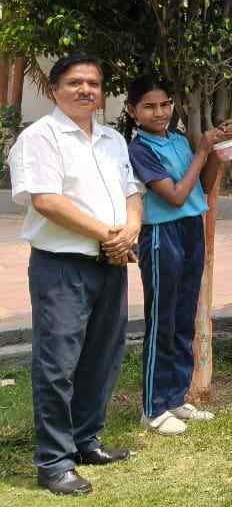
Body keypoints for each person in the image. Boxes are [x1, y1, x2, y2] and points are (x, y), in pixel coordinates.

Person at [8, 54, 141, 495]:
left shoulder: (112, 139)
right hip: (62, 266)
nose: (86, 90)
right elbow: (46, 200)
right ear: (54, 89)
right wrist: (110, 234)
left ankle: (86, 441)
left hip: (111, 263)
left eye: (93, 83)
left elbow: (132, 191)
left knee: (102, 358)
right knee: (58, 364)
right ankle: (53, 461)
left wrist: (130, 229)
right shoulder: (39, 138)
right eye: (74, 82)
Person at [124, 76, 230, 435]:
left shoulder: (178, 140)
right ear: (132, 111)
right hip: (161, 234)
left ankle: (175, 397)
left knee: (184, 318)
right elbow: (173, 196)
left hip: (191, 230)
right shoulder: (139, 149)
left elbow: (201, 186)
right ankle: (153, 407)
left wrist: (215, 152)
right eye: (149, 106)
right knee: (162, 321)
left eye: (165, 104)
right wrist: (201, 152)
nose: (159, 112)